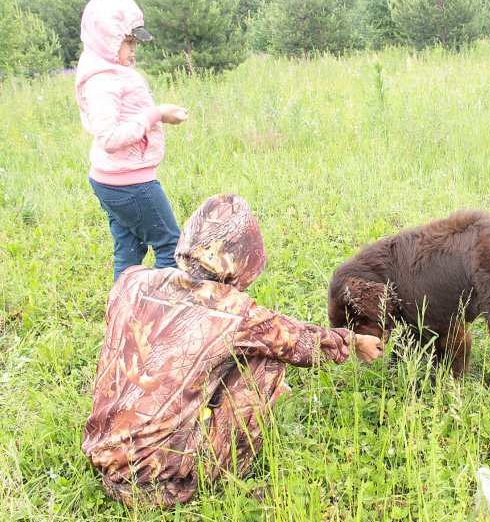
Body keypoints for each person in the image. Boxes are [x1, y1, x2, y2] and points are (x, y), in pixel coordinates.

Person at [81, 194, 384, 507]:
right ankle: (231, 471)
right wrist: (353, 340)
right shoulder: (234, 311)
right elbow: (297, 341)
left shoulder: (132, 281)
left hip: (104, 460)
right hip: (161, 484)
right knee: (268, 361)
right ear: (244, 256)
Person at [75, 0, 189, 281]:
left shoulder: (112, 72)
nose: (133, 49)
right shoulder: (103, 81)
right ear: (106, 39)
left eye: (135, 42)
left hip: (114, 180)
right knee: (171, 246)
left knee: (128, 251)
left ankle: (121, 319)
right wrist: (157, 114)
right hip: (130, 183)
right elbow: (109, 137)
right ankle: (163, 317)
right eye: (128, 42)